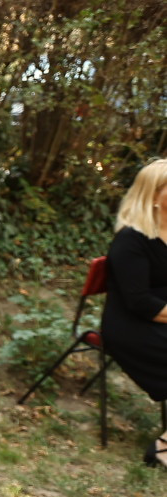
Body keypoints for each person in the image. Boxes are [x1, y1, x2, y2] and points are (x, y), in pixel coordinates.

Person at [103, 158, 167, 468]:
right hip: (132, 327)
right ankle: (163, 450)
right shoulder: (130, 240)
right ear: (153, 196)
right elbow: (141, 302)